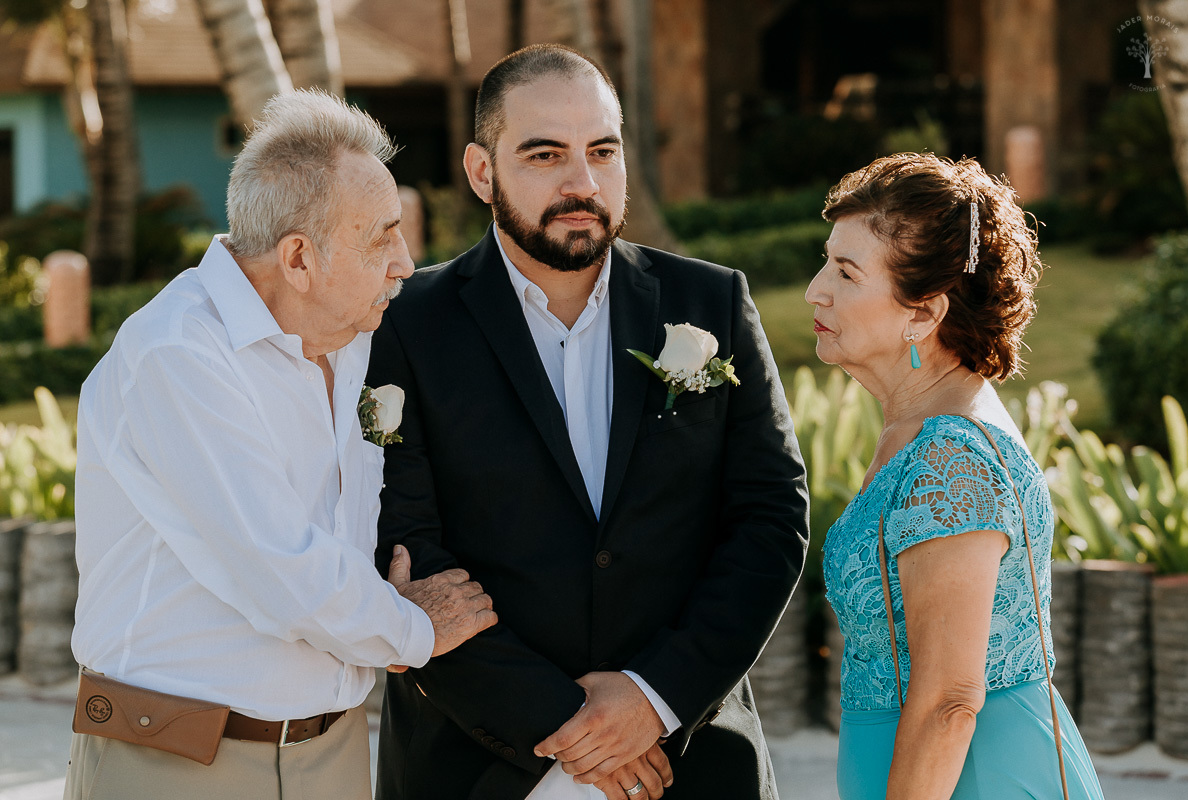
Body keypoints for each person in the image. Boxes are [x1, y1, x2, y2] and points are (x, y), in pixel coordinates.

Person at [367, 44, 808, 800]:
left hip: (688, 760)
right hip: (477, 767)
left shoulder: (711, 306)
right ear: (482, 171)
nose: (583, 183)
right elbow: (404, 551)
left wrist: (654, 699)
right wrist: (572, 727)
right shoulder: (398, 325)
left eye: (602, 151)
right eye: (545, 154)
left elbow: (770, 521)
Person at [65, 90, 497, 800]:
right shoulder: (177, 355)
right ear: (298, 258)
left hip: (332, 752)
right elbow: (283, 569)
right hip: (176, 760)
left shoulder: (354, 338)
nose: (404, 262)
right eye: (381, 237)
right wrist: (414, 628)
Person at [807, 153, 1104, 799]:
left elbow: (949, 700)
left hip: (969, 776)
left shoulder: (950, 458)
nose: (815, 289)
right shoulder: (920, 429)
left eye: (846, 272)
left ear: (924, 313)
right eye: (826, 260)